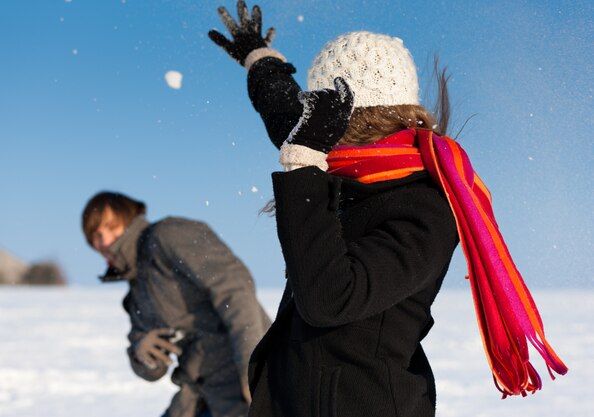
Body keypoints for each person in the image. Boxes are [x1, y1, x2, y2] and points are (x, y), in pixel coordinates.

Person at [209, 2, 567, 416]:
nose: (309, 129)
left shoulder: (425, 206)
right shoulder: (341, 163)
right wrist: (260, 58)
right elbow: (283, 113)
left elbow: (330, 298)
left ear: (346, 117)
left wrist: (304, 162)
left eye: (320, 115)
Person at [81, 191, 271, 417]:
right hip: (196, 397)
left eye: (111, 228)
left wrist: (252, 370)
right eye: (95, 235)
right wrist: (141, 353)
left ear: (130, 219)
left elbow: (234, 289)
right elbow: (153, 371)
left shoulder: (166, 236)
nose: (103, 242)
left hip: (243, 387)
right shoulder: (136, 294)